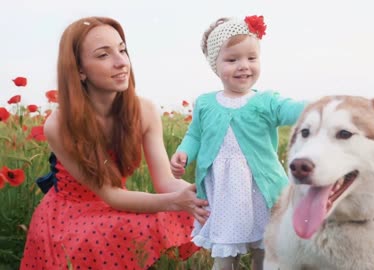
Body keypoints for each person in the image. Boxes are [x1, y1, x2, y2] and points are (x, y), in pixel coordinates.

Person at [20, 16, 209, 270]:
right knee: (142, 222)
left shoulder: (144, 111)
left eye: (122, 50)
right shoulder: (59, 124)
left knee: (193, 213)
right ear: (79, 70)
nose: (122, 62)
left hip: (119, 205)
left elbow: (165, 182)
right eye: (103, 55)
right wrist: (178, 201)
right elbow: (110, 195)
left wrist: (204, 196)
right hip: (70, 217)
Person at [170, 15, 306, 270]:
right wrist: (183, 152)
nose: (244, 66)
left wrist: (320, 106)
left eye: (251, 58)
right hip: (224, 193)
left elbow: (292, 110)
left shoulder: (267, 101)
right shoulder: (206, 103)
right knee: (225, 253)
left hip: (263, 192)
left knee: (267, 252)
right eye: (232, 60)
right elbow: (195, 135)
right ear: (216, 65)